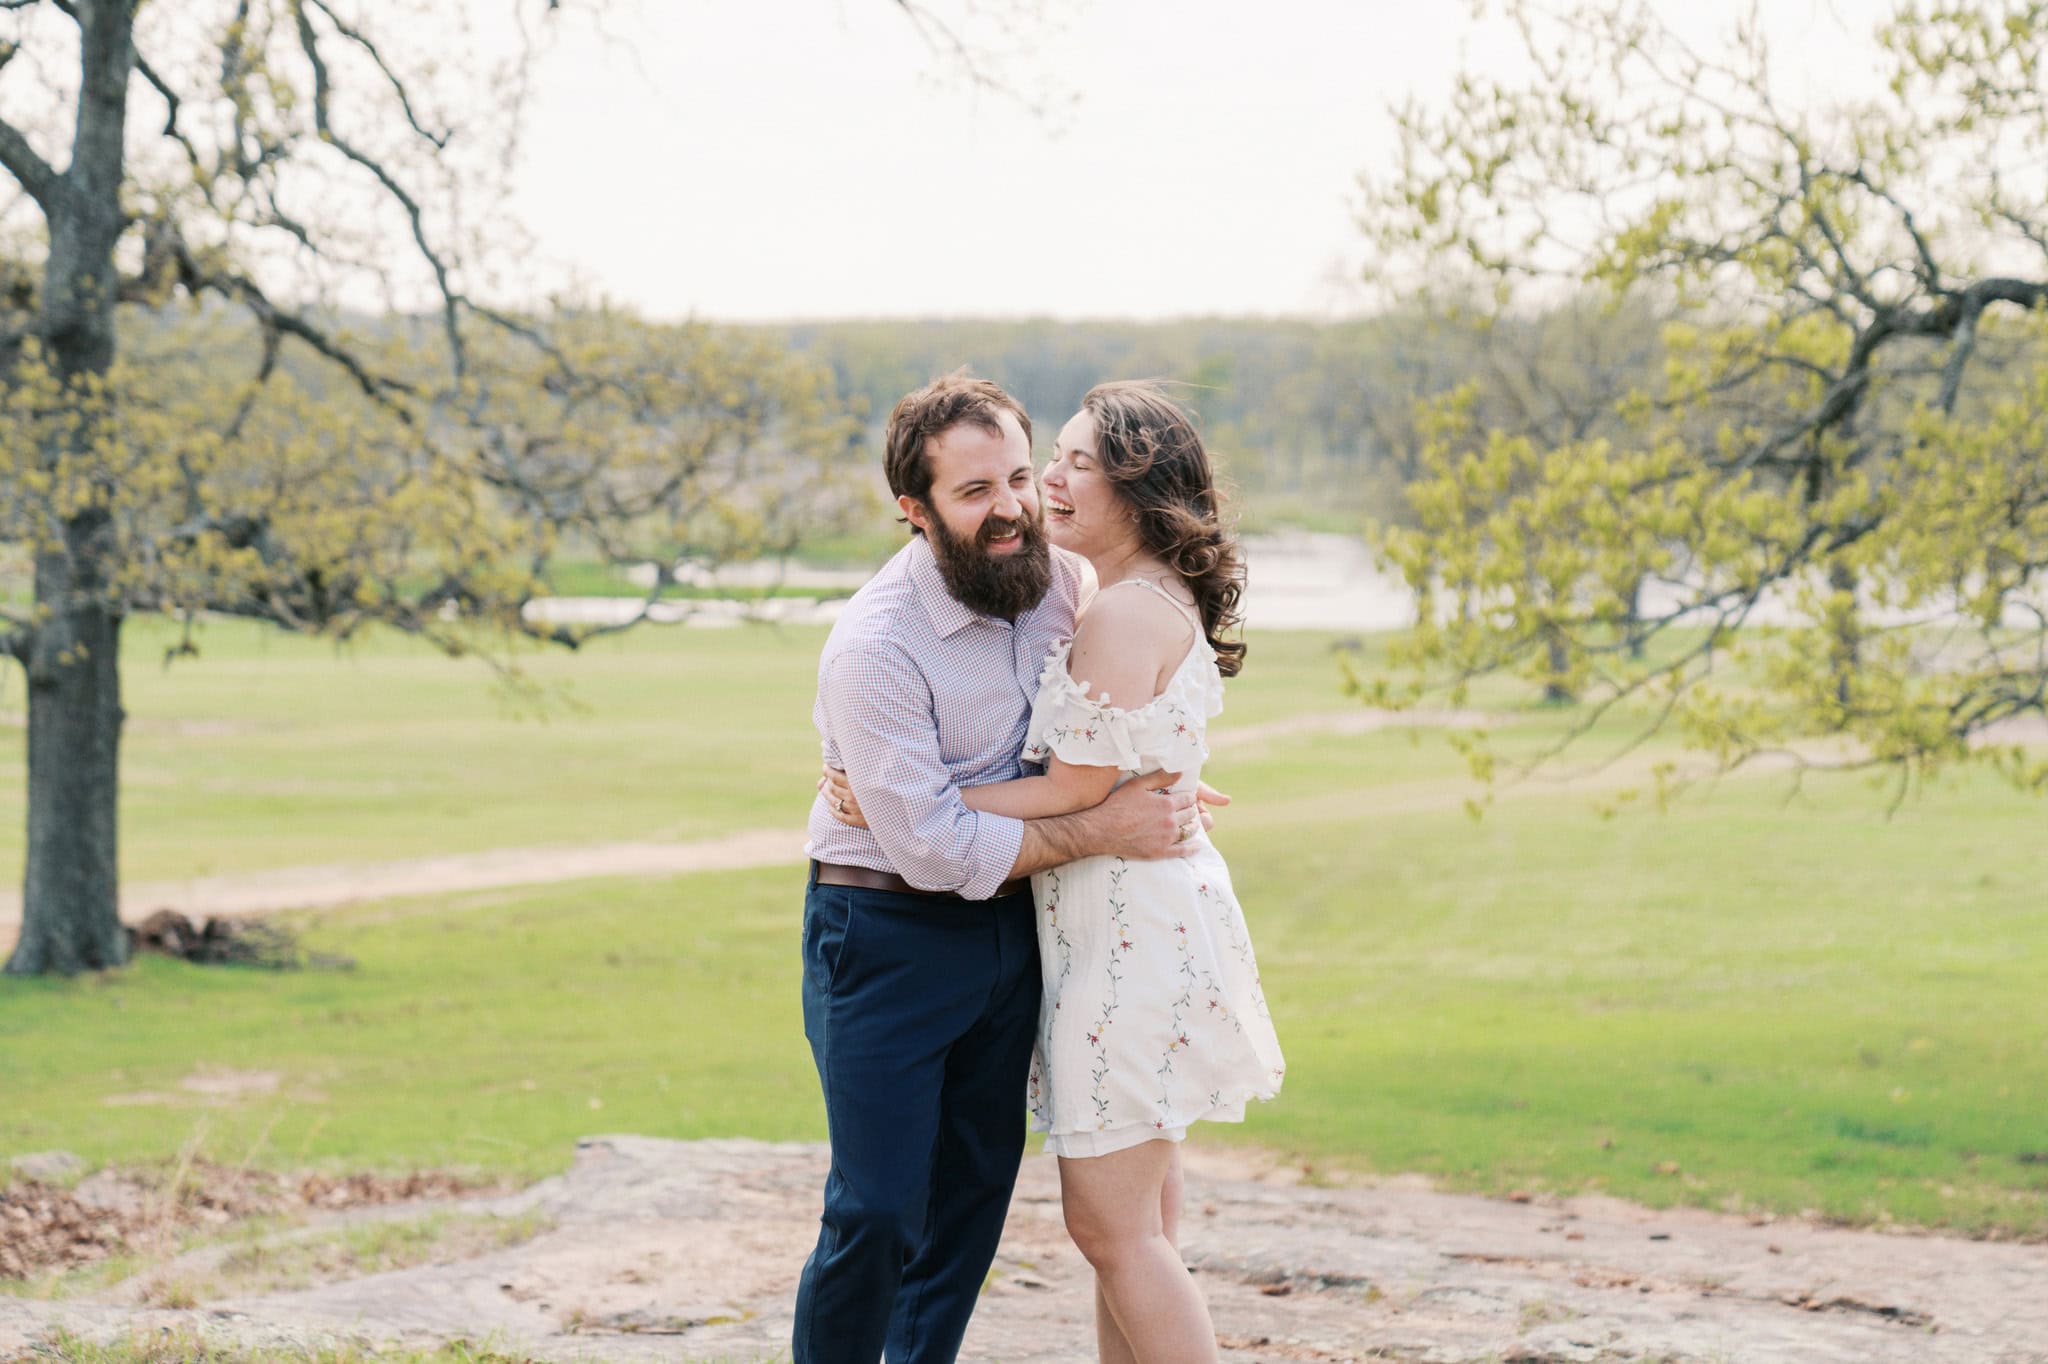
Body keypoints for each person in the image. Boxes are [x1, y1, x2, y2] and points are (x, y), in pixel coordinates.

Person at [825, 381, 1284, 1363]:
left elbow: (1072, 780)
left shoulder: (1098, 601)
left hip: (1114, 923)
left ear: (1134, 489)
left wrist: (916, 802)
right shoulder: (1056, 598)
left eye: (1050, 468)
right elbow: (1087, 775)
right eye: (982, 485)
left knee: (1112, 1231)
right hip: (1021, 918)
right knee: (1128, 1227)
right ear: (916, 508)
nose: (1032, 497)